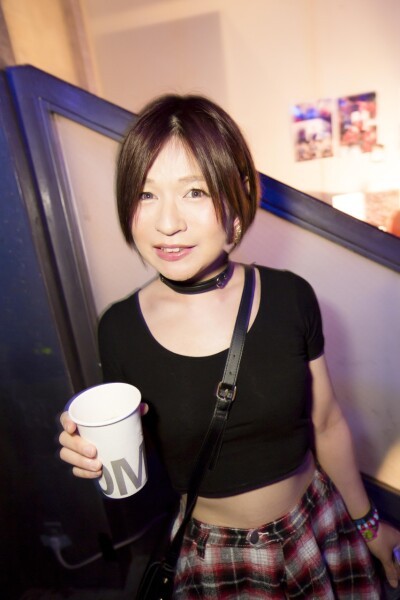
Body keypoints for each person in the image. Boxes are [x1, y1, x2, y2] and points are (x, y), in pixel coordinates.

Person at [59, 94, 400, 598]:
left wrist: (368, 524)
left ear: (236, 199)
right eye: (146, 194)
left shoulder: (290, 297)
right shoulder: (119, 329)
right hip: (214, 555)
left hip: (318, 525)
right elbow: (140, 453)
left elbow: (327, 423)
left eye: (194, 191)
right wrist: (90, 450)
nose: (167, 223)